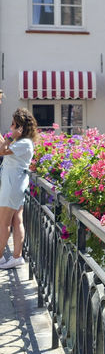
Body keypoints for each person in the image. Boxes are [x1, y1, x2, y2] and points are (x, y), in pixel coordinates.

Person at [0, 108, 39, 269]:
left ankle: (2, 256)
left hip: (12, 185)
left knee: (3, 223)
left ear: (20, 127)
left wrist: (10, 137)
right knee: (17, 221)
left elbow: (1, 151)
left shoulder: (23, 143)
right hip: (15, 184)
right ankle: (16, 256)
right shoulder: (23, 142)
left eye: (13, 124)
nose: (10, 127)